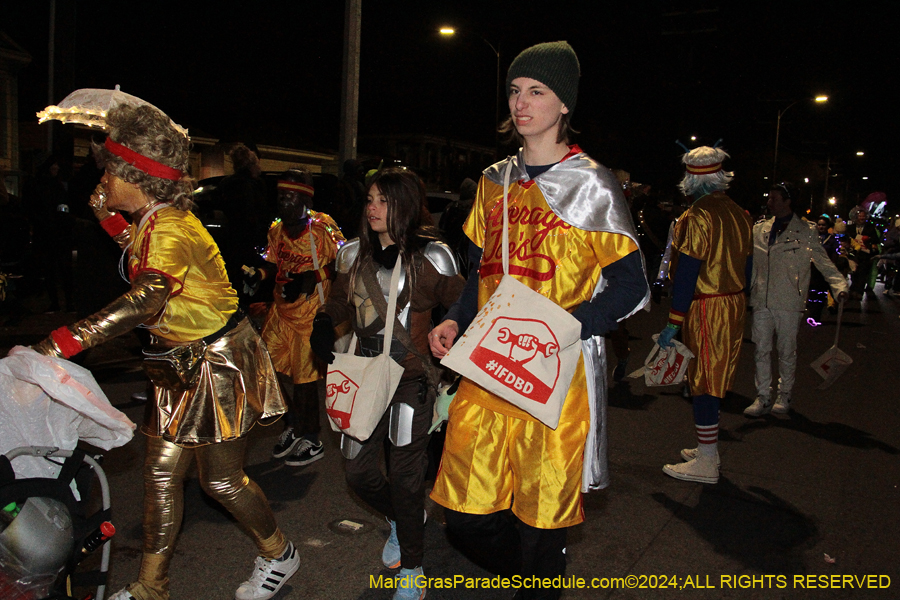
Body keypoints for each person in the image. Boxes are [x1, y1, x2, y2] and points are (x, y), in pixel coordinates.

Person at [29, 104, 297, 600]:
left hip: (218, 364)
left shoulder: (171, 227)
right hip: (179, 363)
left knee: (221, 483)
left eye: (110, 170)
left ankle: (280, 553)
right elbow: (138, 248)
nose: (102, 177)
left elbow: (149, 293)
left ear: (137, 176)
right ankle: (152, 586)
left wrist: (64, 342)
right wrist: (105, 213)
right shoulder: (157, 220)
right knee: (159, 473)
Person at [427, 41, 649, 598]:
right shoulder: (492, 181)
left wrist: (570, 325)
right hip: (487, 367)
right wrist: (455, 319)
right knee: (465, 517)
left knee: (541, 520)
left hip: (556, 373)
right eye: (515, 90)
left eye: (537, 92)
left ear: (564, 105)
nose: (521, 103)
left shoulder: (591, 184)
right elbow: (482, 271)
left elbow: (632, 285)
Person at [309, 167, 464, 600]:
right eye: (370, 199)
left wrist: (454, 338)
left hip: (412, 379)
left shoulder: (434, 257)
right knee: (358, 474)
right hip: (363, 378)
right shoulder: (352, 253)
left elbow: (465, 306)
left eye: (384, 200)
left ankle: (413, 568)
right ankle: (402, 518)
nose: (373, 207)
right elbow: (340, 298)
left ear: (407, 207)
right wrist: (324, 321)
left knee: (407, 477)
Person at [656, 145, 752, 484]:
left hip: (709, 304)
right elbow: (749, 265)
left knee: (704, 381)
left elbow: (687, 272)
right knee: (713, 375)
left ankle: (708, 460)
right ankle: (706, 446)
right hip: (734, 300)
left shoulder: (697, 215)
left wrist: (674, 321)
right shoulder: (740, 212)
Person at [249, 168, 344, 466]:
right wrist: (258, 274)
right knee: (266, 370)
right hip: (281, 311)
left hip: (310, 313)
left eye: (290, 197)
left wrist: (312, 276)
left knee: (304, 380)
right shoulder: (277, 228)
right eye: (280, 196)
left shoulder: (322, 228)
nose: (283, 203)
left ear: (304, 199)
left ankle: (312, 438)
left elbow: (344, 261)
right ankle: (292, 424)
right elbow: (273, 263)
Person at [743, 183, 849, 417]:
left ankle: (784, 394)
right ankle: (762, 396)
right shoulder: (759, 228)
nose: (769, 202)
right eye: (769, 197)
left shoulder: (805, 230)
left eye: (774, 198)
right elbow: (745, 259)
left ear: (787, 201)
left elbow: (823, 262)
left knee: (787, 350)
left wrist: (839, 286)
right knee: (760, 349)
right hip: (761, 299)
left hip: (789, 300)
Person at [846, 207, 880, 299]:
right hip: (853, 254)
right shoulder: (850, 227)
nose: (861, 218)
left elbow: (875, 240)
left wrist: (868, 240)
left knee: (863, 273)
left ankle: (859, 292)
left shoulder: (870, 228)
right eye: (859, 216)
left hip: (865, 254)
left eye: (863, 216)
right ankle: (853, 289)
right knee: (854, 273)